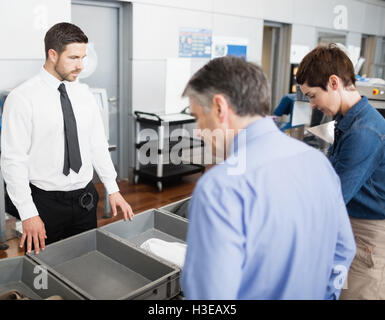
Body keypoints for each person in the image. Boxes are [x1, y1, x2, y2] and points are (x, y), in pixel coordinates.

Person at [180, 56, 356, 300]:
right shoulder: (318, 163)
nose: (199, 131)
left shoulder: (220, 187)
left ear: (220, 107)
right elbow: (344, 248)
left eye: (198, 116)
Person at [1, 22, 134, 255]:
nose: (81, 66)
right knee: (46, 270)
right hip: (45, 203)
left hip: (85, 198)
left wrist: (113, 188)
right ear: (52, 54)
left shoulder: (83, 93)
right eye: (73, 58)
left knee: (84, 261)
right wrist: (28, 213)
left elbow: (97, 144)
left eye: (83, 57)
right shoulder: (22, 98)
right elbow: (14, 160)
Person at [296, 44, 385, 300]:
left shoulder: (364, 132)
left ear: (334, 83)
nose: (312, 105)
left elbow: (332, 199)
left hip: (367, 236)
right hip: (351, 225)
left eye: (313, 95)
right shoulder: (349, 122)